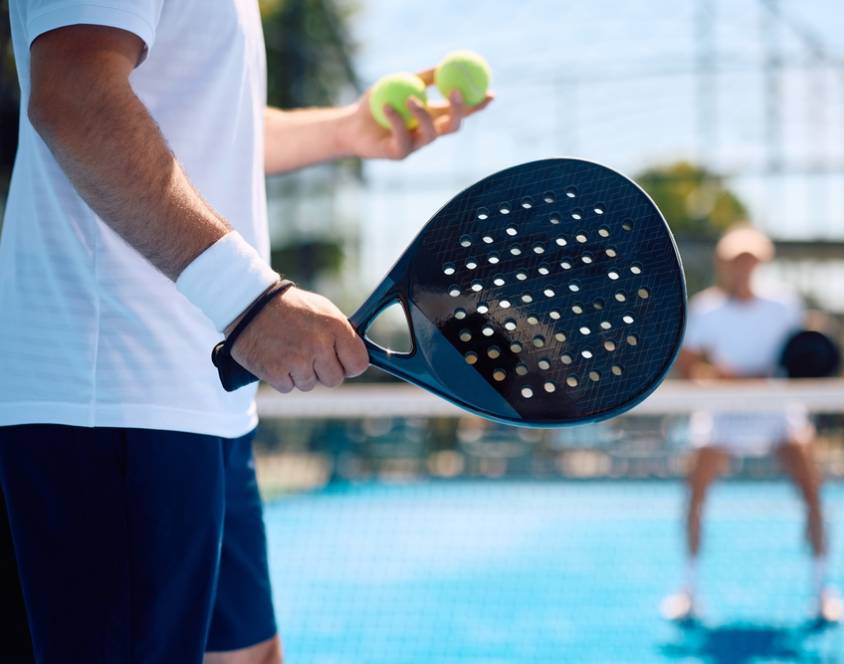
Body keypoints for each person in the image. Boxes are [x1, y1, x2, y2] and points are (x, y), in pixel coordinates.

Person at [0, 2, 492, 662]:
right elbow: (74, 92)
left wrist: (343, 130)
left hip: (200, 399)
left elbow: (197, 124)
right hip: (114, 397)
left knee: (252, 654)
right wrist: (251, 303)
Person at [661, 225, 844, 624]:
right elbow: (689, 366)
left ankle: (822, 590)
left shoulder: (785, 306)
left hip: (778, 415)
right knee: (694, 498)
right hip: (722, 416)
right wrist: (725, 380)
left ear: (760, 263)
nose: (742, 267)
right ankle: (688, 590)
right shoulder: (705, 309)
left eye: (750, 260)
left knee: (813, 494)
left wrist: (763, 380)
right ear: (723, 264)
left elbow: (801, 359)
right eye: (735, 260)